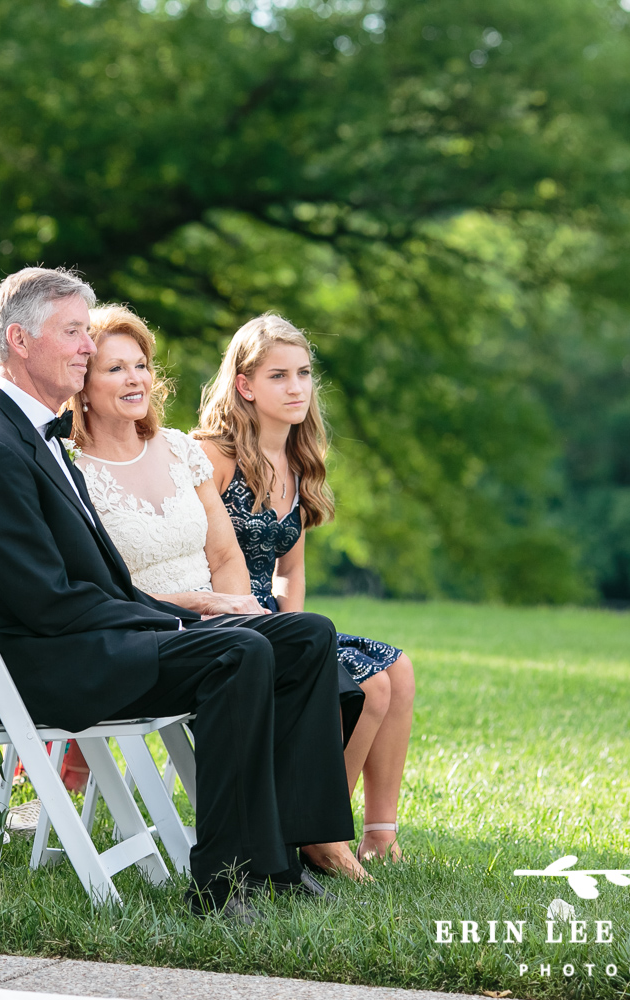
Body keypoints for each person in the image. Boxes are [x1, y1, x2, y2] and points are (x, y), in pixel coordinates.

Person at [0, 267, 355, 919]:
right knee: (237, 655)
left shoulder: (40, 441)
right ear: (19, 340)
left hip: (103, 639)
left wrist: (193, 609)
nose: (85, 345)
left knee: (306, 636)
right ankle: (222, 881)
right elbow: (47, 602)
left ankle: (283, 857)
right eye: (73, 332)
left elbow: (98, 583)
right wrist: (179, 620)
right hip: (55, 666)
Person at [196, 313, 416, 864]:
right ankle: (319, 833)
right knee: (373, 688)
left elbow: (290, 569)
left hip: (278, 623)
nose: (296, 387)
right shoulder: (213, 456)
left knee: (397, 668)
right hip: (222, 624)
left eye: (303, 373)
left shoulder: (296, 461)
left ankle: (379, 834)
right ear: (244, 385)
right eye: (278, 376)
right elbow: (189, 552)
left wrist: (294, 628)